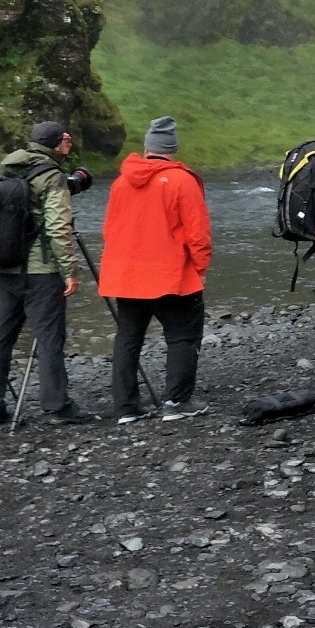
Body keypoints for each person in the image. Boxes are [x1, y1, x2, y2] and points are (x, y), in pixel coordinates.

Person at [0, 121, 96, 426]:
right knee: (49, 338)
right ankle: (57, 406)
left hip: (6, 265)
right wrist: (70, 270)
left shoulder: (9, 168)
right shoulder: (51, 176)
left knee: (0, 336)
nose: (69, 143)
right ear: (56, 145)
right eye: (66, 139)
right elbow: (58, 227)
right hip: (42, 270)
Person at [99, 116, 213, 423]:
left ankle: (126, 408)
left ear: (148, 147)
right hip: (170, 275)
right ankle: (176, 402)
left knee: (128, 338)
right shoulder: (182, 180)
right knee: (183, 337)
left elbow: (110, 230)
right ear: (171, 148)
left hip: (127, 276)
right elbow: (198, 233)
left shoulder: (121, 182)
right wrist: (200, 268)